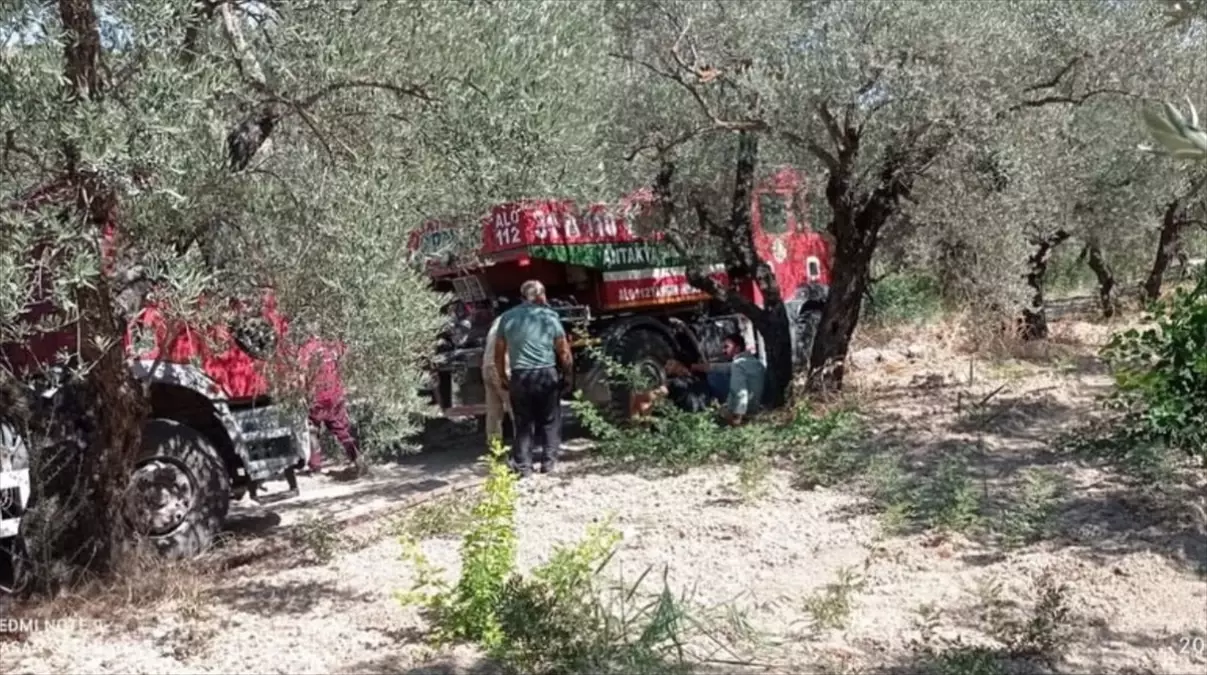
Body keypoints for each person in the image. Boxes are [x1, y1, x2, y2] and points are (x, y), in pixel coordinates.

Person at [493, 280, 572, 476]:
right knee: (549, 420)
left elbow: (498, 353)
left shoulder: (507, 318)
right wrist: (568, 373)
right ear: (540, 296)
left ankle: (524, 467)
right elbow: (563, 351)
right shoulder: (550, 317)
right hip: (546, 373)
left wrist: (503, 375)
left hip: (520, 376)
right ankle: (548, 463)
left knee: (523, 423)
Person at [298, 334, 364, 476]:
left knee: (313, 430)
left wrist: (302, 394)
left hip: (317, 397)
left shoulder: (307, 348)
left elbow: (302, 373)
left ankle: (315, 467)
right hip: (335, 396)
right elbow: (348, 359)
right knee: (342, 429)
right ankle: (357, 458)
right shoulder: (334, 344)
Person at [688, 332, 765, 425]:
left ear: (737, 348)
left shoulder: (738, 365)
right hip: (757, 404)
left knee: (713, 376)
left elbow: (740, 392)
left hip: (747, 409)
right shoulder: (754, 362)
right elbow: (720, 367)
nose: (723, 351)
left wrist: (737, 417)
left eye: (726, 347)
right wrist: (694, 367)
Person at [481, 309, 511, 449]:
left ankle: (494, 446)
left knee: (493, 411)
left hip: (487, 366)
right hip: (500, 367)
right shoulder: (512, 321)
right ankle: (522, 449)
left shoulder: (498, 320)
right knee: (516, 409)